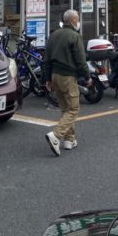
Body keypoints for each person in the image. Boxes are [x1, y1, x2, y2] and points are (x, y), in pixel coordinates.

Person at [42, 9, 92, 156]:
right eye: (77, 19)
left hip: (55, 76)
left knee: (65, 108)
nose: (78, 22)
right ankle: (56, 135)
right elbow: (81, 60)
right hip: (68, 77)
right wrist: (87, 77)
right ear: (72, 20)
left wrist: (47, 79)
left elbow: (46, 59)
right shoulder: (74, 36)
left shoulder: (54, 35)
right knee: (73, 109)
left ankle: (69, 140)